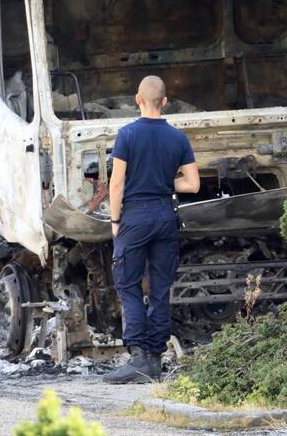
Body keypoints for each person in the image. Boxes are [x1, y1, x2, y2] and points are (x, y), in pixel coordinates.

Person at [105, 76, 199, 383]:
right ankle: (156, 360)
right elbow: (193, 184)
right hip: (165, 215)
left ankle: (138, 358)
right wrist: (160, 183)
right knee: (160, 289)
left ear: (137, 99)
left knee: (128, 284)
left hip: (135, 217)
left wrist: (115, 220)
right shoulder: (178, 138)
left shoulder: (127, 135)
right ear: (165, 101)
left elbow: (116, 183)